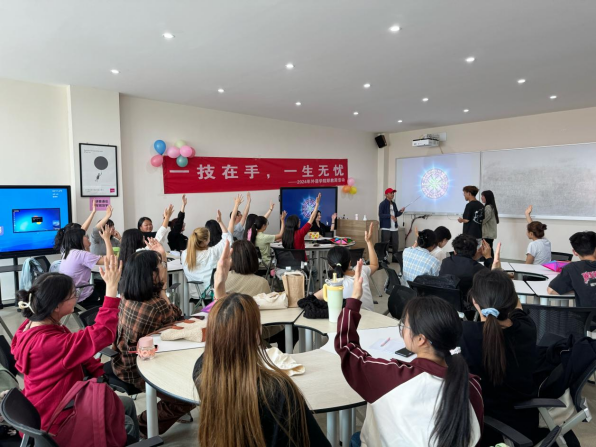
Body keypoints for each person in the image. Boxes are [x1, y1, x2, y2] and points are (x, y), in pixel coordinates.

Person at [193, 240, 330, 447]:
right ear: (258, 334)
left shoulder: (202, 370)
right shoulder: (278, 390)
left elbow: (222, 333)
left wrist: (219, 287)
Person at [336, 261, 483, 447]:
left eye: (404, 325)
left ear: (421, 339)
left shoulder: (392, 376)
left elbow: (346, 347)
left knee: (356, 438)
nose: (402, 330)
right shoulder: (472, 385)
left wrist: (354, 299)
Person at [11, 258, 139, 442]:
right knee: (125, 420)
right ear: (56, 305)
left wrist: (99, 372)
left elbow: (76, 351)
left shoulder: (30, 326)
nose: (77, 297)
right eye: (73, 294)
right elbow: (102, 332)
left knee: (124, 404)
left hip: (44, 406)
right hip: (57, 420)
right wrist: (111, 290)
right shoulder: (49, 343)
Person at [110, 241, 193, 437]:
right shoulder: (156, 305)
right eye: (161, 266)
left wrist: (161, 257)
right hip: (140, 369)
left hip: (121, 361)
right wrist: (163, 290)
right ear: (152, 275)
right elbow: (178, 319)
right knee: (187, 396)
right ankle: (142, 426)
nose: (164, 268)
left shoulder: (126, 296)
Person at [461, 269, 538, 446]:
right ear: (511, 300)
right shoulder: (527, 328)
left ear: (474, 301)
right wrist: (502, 282)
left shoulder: (465, 334)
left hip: (478, 424)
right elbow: (518, 309)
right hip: (520, 421)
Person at [314, 223, 379, 311]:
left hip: (348, 319)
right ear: (350, 262)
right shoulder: (361, 271)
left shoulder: (333, 285)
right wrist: (369, 242)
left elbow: (310, 300)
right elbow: (375, 265)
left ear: (330, 265)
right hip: (371, 318)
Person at [182, 196, 240, 295]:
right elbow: (228, 238)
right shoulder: (212, 252)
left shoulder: (184, 254)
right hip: (212, 293)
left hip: (195, 294)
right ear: (205, 241)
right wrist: (220, 221)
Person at [59, 226, 112, 308]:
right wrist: (107, 239)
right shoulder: (81, 255)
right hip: (81, 295)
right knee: (108, 286)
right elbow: (109, 260)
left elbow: (89, 257)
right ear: (78, 239)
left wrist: (87, 246)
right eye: (85, 236)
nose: (87, 238)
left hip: (68, 294)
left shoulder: (67, 252)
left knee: (100, 284)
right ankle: (104, 310)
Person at [548, 231, 596, 306]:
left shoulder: (572, 268)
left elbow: (551, 290)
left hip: (587, 314)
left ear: (575, 252)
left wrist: (578, 288)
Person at [378, 188, 405, 263]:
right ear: (386, 195)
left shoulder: (394, 204)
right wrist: (390, 216)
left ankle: (395, 258)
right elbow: (380, 215)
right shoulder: (382, 204)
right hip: (386, 228)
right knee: (385, 244)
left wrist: (401, 212)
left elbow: (396, 214)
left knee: (395, 244)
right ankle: (384, 259)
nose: (392, 194)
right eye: (391, 193)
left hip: (394, 228)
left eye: (393, 193)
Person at [480, 190, 499, 256]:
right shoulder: (492, 206)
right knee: (489, 249)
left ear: (487, 197)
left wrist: (477, 222)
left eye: (483, 196)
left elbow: (484, 219)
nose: (481, 197)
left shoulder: (488, 207)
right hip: (490, 234)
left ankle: (490, 262)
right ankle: (490, 261)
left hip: (487, 234)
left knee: (487, 250)